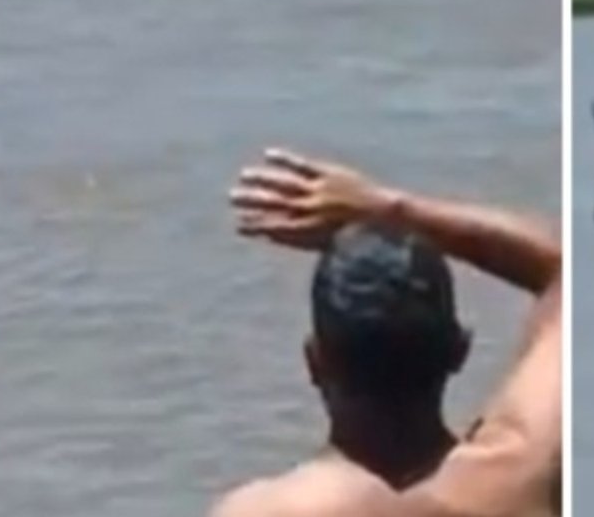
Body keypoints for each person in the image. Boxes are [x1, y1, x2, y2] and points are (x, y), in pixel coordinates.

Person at [212, 149, 561, 517]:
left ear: (314, 362)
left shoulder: (261, 511)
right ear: (460, 350)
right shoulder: (518, 477)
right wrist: (390, 208)